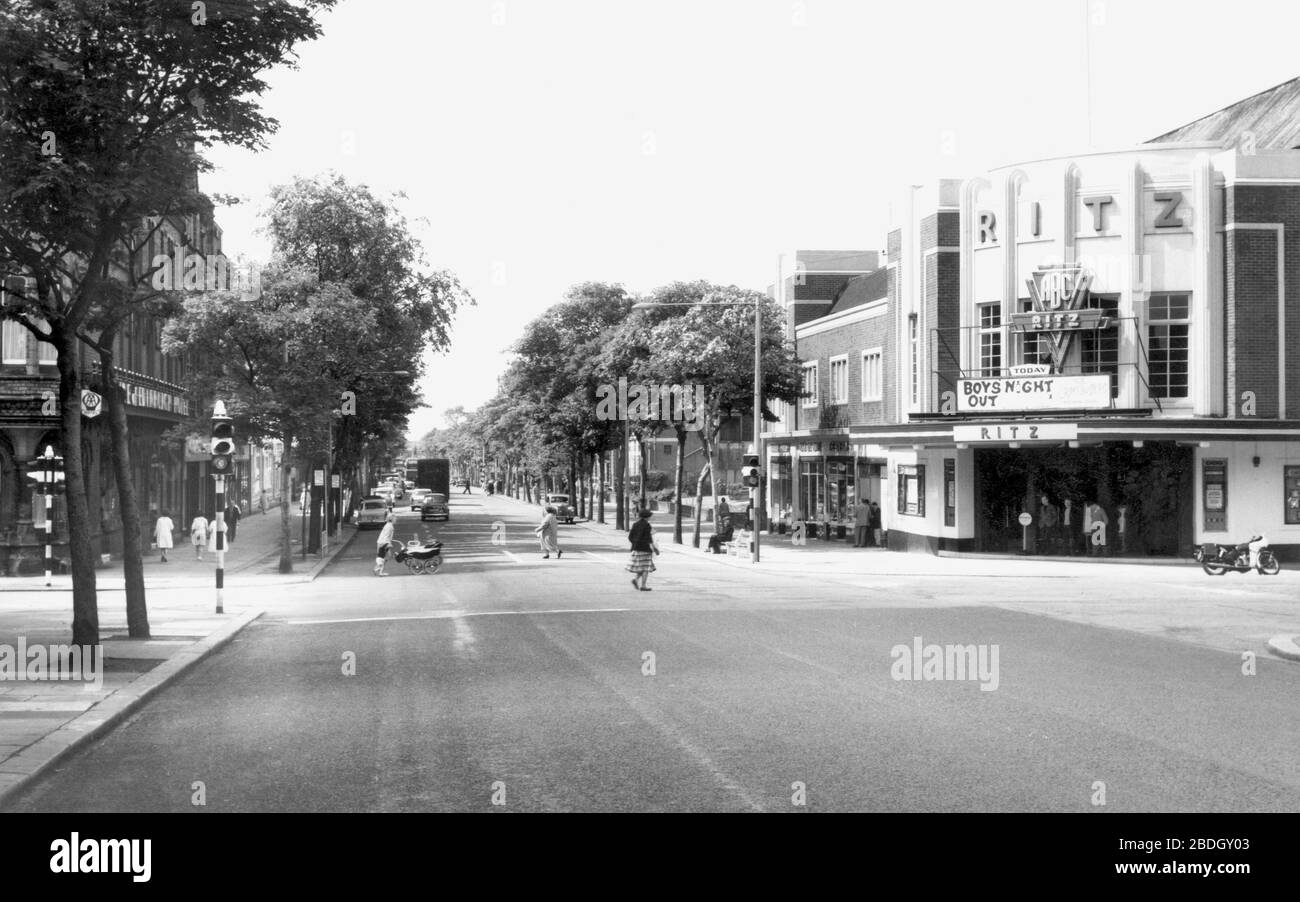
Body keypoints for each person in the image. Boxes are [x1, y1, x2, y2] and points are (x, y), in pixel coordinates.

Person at [627, 508, 659, 590]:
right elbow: (649, 539)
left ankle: (635, 579)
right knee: (646, 568)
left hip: (636, 549)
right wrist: (655, 549)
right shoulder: (647, 525)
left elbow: (630, 537)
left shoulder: (635, 524)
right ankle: (643, 586)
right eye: (649, 516)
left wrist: (635, 543)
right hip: (645, 549)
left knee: (641, 567)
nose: (649, 517)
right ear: (646, 517)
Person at [374, 512, 395, 577]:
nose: (396, 519)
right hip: (383, 543)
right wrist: (388, 544)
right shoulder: (390, 526)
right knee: (384, 557)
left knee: (384, 557)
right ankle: (377, 568)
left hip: (381, 542)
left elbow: (387, 535)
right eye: (395, 518)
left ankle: (379, 570)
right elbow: (386, 536)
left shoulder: (388, 525)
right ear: (392, 519)